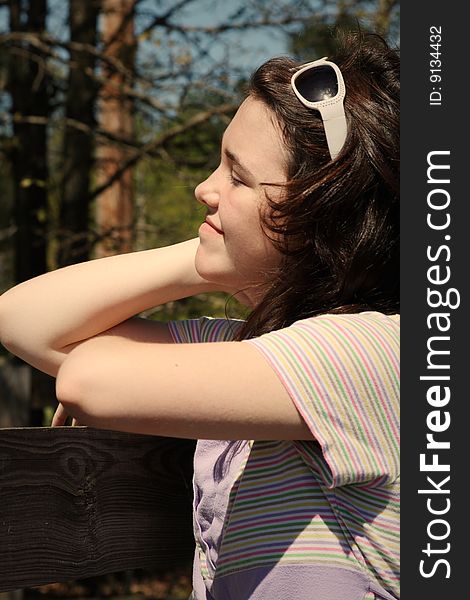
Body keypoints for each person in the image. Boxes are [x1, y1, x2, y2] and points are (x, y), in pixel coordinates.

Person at [0, 30, 400, 600]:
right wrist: (213, 254)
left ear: (324, 215)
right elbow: (23, 320)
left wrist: (250, 251)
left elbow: (88, 381)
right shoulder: (255, 348)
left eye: (237, 177)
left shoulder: (383, 352)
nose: (202, 189)